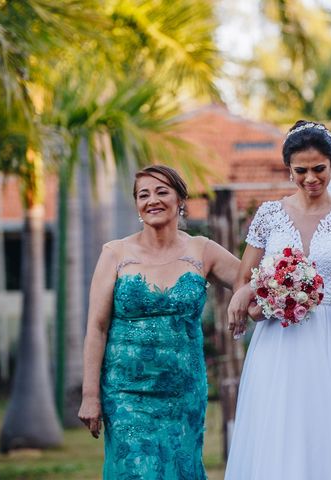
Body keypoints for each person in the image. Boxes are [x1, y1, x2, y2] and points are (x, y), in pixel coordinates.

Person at [225, 120, 331, 479]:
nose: (310, 178)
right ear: (289, 170)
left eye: (319, 169)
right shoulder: (270, 215)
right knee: (280, 430)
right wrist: (261, 297)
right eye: (300, 170)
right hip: (279, 341)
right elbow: (245, 278)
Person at [78, 165, 240, 480]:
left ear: (181, 199)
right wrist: (90, 395)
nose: (152, 200)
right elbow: (96, 328)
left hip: (183, 393)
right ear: (137, 205)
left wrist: (245, 297)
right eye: (143, 194)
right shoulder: (115, 253)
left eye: (162, 191)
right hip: (126, 394)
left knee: (180, 470)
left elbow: (252, 283)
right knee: (136, 471)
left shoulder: (202, 249)